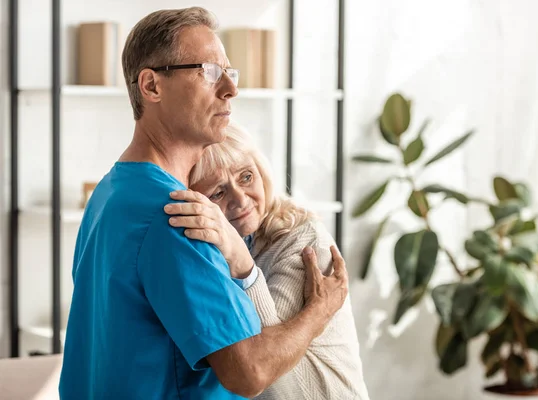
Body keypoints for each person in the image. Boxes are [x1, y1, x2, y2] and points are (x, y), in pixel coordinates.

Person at [58, 7, 348, 400]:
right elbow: (250, 371)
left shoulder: (109, 193)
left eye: (231, 73)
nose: (231, 88)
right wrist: (320, 310)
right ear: (151, 86)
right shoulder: (178, 215)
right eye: (209, 71)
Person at [164, 122, 370, 400]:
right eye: (218, 193)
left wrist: (242, 263)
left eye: (246, 177)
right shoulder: (210, 253)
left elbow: (265, 365)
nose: (240, 199)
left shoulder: (304, 239)